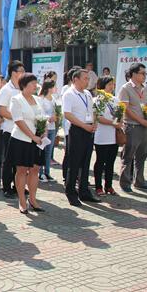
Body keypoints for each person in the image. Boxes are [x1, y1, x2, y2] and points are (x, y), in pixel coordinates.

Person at [9, 73, 46, 214]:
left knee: (35, 169)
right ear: (24, 85)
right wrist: (32, 136)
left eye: (36, 83)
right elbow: (18, 121)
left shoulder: (38, 99)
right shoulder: (16, 99)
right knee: (22, 170)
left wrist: (44, 132)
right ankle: (22, 201)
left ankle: (33, 199)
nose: (35, 86)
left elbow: (43, 117)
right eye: (32, 83)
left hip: (37, 140)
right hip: (22, 140)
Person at [62, 69, 101, 207]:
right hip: (77, 130)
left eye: (88, 78)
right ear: (75, 79)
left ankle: (84, 191)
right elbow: (67, 114)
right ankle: (71, 192)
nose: (88, 81)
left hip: (89, 130)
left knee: (85, 162)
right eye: (85, 78)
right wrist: (84, 126)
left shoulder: (88, 94)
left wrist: (94, 122)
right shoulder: (69, 94)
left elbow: (92, 110)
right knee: (74, 163)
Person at [117, 63, 147, 193]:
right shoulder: (125, 88)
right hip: (132, 126)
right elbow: (125, 109)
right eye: (142, 73)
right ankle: (125, 182)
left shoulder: (144, 88)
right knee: (128, 156)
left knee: (142, 156)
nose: (145, 76)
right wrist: (141, 120)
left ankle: (139, 181)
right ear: (134, 74)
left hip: (144, 126)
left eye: (145, 73)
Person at [0, 60, 25, 199]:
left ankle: (18, 186)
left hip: (22, 130)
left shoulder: (22, 88)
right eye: (21, 71)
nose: (23, 74)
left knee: (19, 161)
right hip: (9, 130)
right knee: (8, 161)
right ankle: (7, 187)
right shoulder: (6, 90)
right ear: (14, 73)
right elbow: (2, 111)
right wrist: (17, 118)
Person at [93, 75, 122, 196]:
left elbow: (119, 115)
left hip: (113, 135)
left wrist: (119, 121)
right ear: (103, 85)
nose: (112, 86)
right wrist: (113, 123)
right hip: (102, 135)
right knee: (100, 161)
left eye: (113, 84)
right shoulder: (98, 100)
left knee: (110, 162)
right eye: (109, 84)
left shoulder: (115, 99)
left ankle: (108, 185)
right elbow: (99, 118)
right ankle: (98, 186)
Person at [38, 80, 58, 182]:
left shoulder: (53, 99)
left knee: (49, 151)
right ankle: (40, 173)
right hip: (44, 128)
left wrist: (56, 116)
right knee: (42, 150)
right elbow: (40, 113)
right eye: (54, 86)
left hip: (52, 127)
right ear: (49, 88)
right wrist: (48, 118)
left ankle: (47, 172)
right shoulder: (41, 99)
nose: (55, 88)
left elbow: (56, 111)